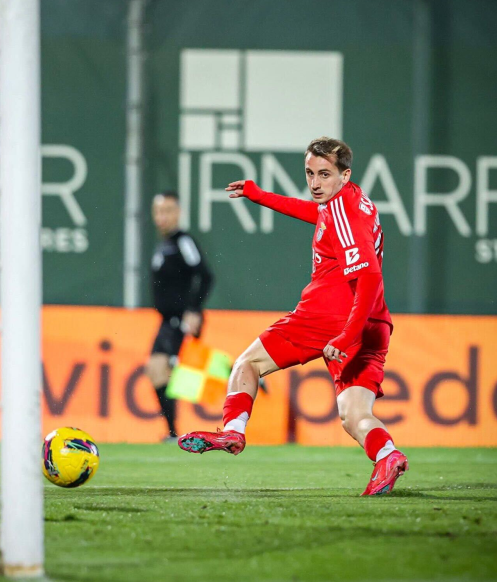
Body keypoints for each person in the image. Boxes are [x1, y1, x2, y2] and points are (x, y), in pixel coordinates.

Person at [178, 137, 408, 496]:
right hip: (375, 323)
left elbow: (369, 277)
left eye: (324, 175)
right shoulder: (353, 202)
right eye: (309, 173)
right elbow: (314, 215)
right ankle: (388, 455)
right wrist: (260, 195)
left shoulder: (343, 212)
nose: (315, 183)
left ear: (345, 175)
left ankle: (233, 431)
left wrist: (346, 335)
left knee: (246, 364)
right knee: (353, 414)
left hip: (330, 316)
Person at [146, 192, 214, 442]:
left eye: (167, 211)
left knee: (165, 370)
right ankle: (172, 432)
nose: (162, 217)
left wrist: (194, 310)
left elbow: (205, 275)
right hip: (167, 320)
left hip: (180, 319)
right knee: (156, 370)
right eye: (158, 211)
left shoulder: (183, 241)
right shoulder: (164, 244)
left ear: (178, 213)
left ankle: (173, 433)